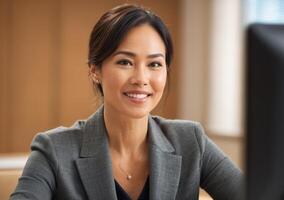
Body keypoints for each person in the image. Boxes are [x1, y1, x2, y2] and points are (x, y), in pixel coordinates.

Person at [10, 4, 243, 200]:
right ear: (95, 71)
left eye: (154, 64)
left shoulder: (191, 141)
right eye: (125, 62)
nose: (141, 79)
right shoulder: (53, 149)